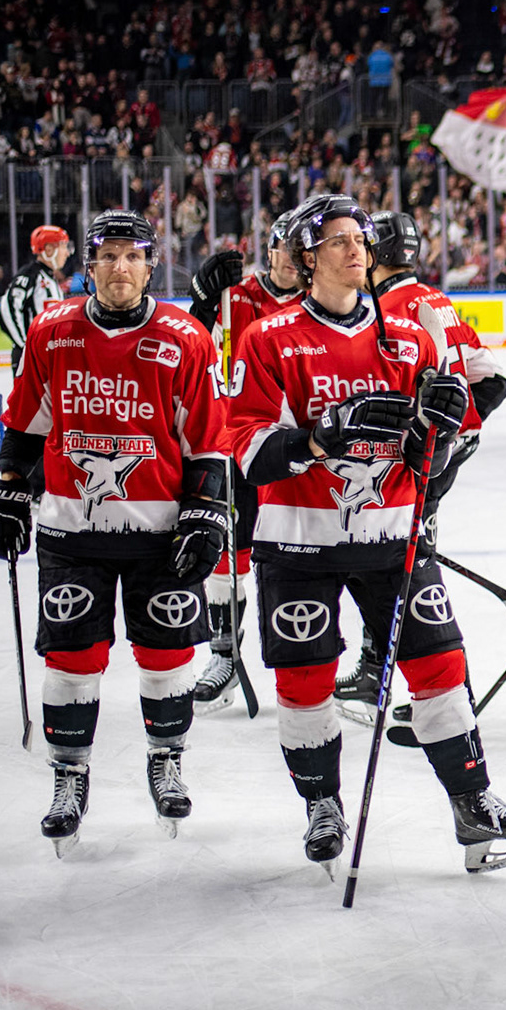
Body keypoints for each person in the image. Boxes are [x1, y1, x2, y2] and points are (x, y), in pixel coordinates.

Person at [229, 194, 506, 876]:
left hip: (392, 536)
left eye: (361, 239)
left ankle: (474, 803)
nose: (356, 249)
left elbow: (423, 459)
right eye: (338, 241)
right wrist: (321, 437)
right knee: (305, 680)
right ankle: (322, 805)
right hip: (298, 543)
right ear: (307, 257)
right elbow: (250, 451)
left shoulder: (410, 338)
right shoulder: (269, 338)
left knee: (440, 667)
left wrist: (441, 429)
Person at [0, 210, 227, 857]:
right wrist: (8, 485)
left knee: (166, 657)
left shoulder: (184, 338)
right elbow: (25, 424)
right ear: (88, 266)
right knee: (71, 658)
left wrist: (207, 511)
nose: (121, 267)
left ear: (150, 266)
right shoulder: (51, 330)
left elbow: (207, 440)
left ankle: (166, 761)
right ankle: (69, 776)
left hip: (160, 534)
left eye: (133, 256)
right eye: (109, 255)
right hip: (71, 530)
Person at [350, 209, 506, 725]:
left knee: (401, 566)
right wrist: (459, 431)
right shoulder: (436, 300)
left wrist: (432, 440)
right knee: (397, 560)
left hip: (417, 460)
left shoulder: (387, 309)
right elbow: (494, 379)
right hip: (442, 454)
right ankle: (379, 670)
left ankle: (447, 688)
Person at [185, 212, 307, 715]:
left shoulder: (317, 301)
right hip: (236, 440)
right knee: (227, 549)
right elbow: (192, 344)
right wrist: (202, 298)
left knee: (300, 553)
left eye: (300, 251)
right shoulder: (236, 296)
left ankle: (305, 657)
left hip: (295, 448)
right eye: (284, 248)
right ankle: (224, 655)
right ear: (269, 249)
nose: (291, 260)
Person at [0, 225, 73, 373]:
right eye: (64, 246)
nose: (67, 253)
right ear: (49, 249)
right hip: (32, 360)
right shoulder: (30, 275)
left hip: (48, 357)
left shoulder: (51, 280)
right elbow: (7, 310)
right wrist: (26, 347)